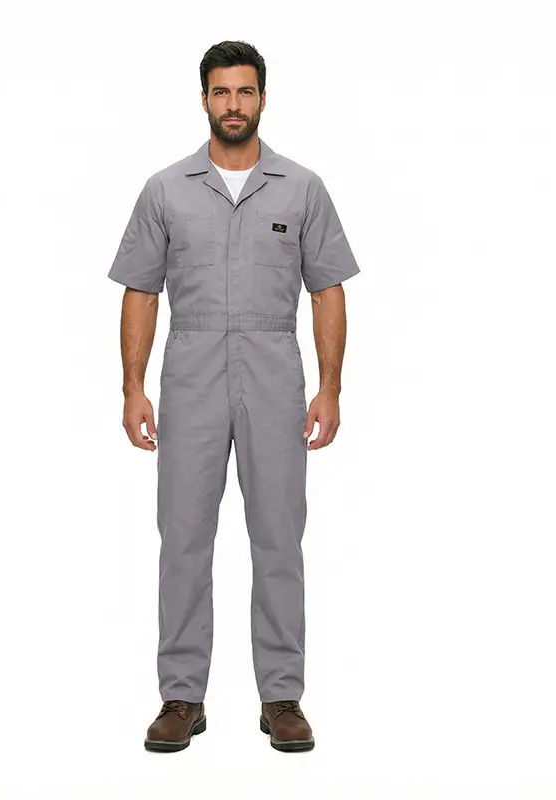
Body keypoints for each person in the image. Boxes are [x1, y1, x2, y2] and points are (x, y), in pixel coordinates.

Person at [108, 40, 360, 753]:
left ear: (263, 99)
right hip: (189, 373)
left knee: (278, 536)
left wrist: (331, 387)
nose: (233, 104)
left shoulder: (302, 188)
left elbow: (328, 290)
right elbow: (141, 291)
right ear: (204, 100)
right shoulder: (165, 189)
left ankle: (281, 696)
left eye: (245, 91)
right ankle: (181, 696)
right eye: (221, 92)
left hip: (275, 372)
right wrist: (132, 387)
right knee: (183, 537)